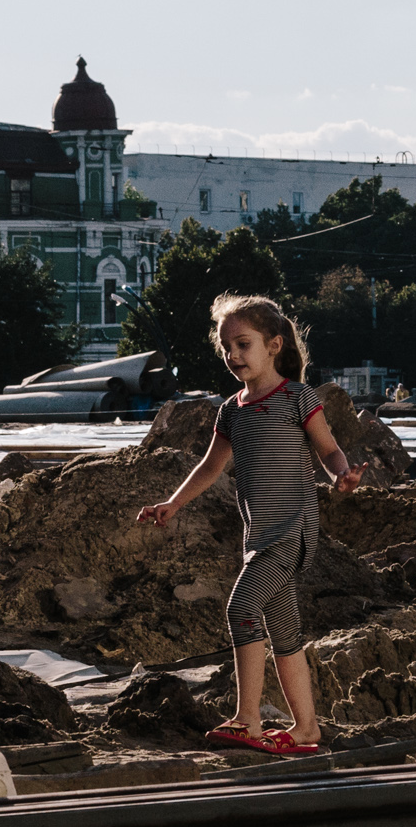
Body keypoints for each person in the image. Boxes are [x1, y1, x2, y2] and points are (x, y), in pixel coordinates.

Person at [136, 293, 360, 757]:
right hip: (257, 537)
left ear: (274, 345)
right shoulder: (232, 410)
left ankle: (247, 719)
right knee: (284, 630)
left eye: (243, 345)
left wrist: (342, 473)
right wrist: (172, 504)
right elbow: (210, 468)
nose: (233, 356)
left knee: (241, 608)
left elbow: (328, 448)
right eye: (226, 348)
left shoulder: (298, 397)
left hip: (292, 531)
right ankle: (306, 728)